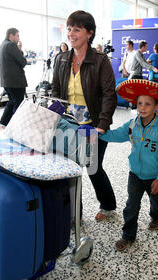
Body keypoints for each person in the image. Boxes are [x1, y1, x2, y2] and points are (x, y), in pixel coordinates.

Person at [98, 79, 158, 251]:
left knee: (156, 201)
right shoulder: (132, 125)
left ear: (157, 106)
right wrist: (98, 134)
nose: (142, 107)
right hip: (134, 174)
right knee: (131, 206)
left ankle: (157, 216)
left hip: (154, 176)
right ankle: (128, 236)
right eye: (140, 103)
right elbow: (116, 135)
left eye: (148, 104)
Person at [52, 10, 117, 221]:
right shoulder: (61, 59)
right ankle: (74, 216)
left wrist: (102, 126)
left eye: (77, 29)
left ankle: (107, 205)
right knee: (69, 171)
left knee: (93, 168)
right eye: (69, 29)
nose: (71, 33)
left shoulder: (100, 60)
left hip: (93, 125)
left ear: (89, 33)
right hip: (68, 125)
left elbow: (109, 94)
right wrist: (54, 116)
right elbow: (55, 91)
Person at [0, 28, 28, 126]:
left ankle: (3, 123)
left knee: (12, 102)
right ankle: (15, 127)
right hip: (15, 82)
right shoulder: (11, 45)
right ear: (11, 35)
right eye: (17, 36)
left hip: (8, 81)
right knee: (18, 105)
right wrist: (20, 50)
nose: (18, 38)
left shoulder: (3, 44)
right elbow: (23, 62)